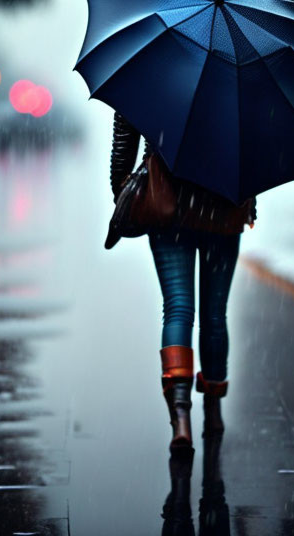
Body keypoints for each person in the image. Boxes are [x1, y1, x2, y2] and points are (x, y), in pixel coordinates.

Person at [109, 112, 255, 455]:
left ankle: (180, 418)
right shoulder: (238, 72)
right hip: (223, 205)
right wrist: (250, 201)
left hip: (166, 201)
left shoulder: (149, 66)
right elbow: (253, 150)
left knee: (177, 309)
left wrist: (125, 191)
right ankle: (214, 410)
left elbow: (124, 137)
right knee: (215, 315)